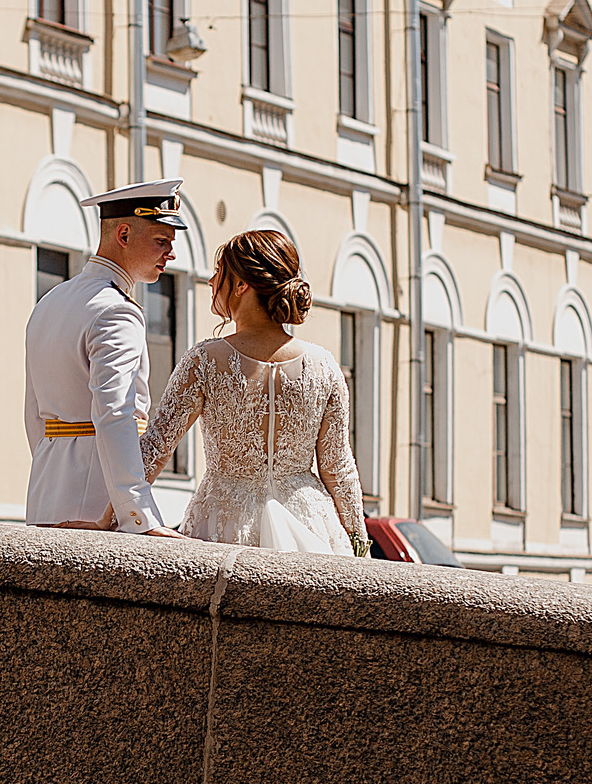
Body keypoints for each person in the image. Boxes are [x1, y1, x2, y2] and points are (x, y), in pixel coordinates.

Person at [142, 228, 368, 556]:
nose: (210, 281)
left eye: (219, 272)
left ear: (241, 284)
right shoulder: (325, 366)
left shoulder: (205, 361)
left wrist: (110, 513)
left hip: (225, 522)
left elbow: (157, 447)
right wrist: (359, 544)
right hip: (311, 527)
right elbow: (337, 466)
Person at [24, 181, 189, 536]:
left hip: (47, 485)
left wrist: (52, 472)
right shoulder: (116, 311)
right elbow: (116, 413)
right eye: (161, 241)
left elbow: (34, 413)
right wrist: (137, 515)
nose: (170, 254)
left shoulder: (50, 301)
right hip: (98, 497)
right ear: (124, 234)